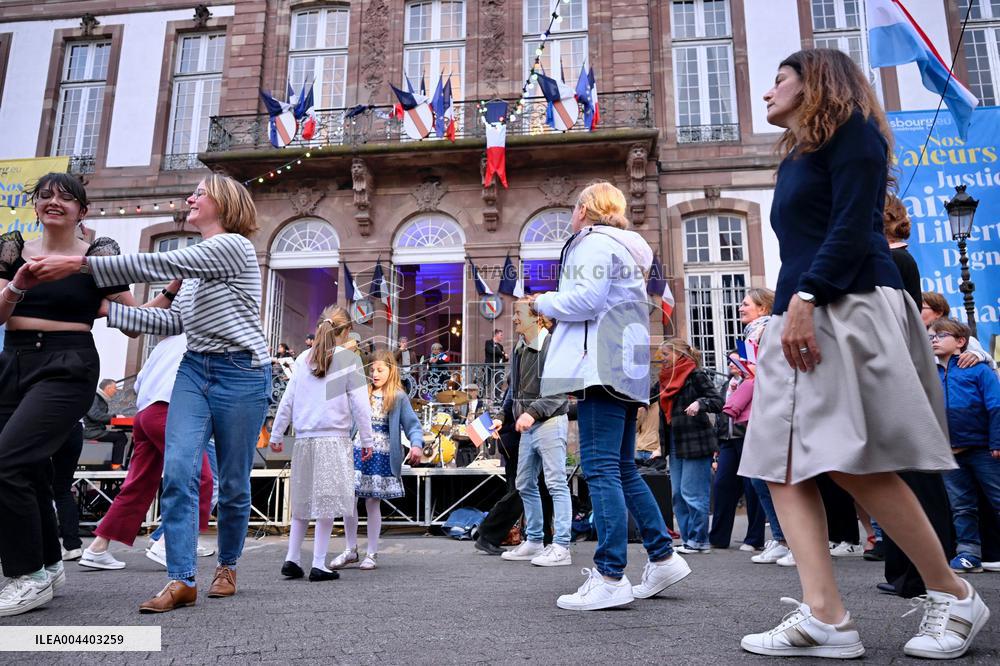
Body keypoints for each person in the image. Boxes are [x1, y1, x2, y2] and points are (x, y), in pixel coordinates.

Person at [739, 49, 988, 659]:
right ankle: (826, 616)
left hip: (841, 304)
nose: (767, 92)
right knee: (781, 465)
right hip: (802, 310)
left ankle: (954, 595)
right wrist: (787, 310)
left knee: (849, 459)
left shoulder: (854, 133)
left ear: (814, 83)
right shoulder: (797, 154)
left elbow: (853, 227)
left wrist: (804, 296)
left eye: (779, 80)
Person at [30, 173, 272, 613]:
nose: (191, 197)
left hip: (242, 371)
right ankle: (181, 580)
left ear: (226, 202)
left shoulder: (231, 246)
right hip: (195, 369)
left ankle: (228, 565)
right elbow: (169, 323)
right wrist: (103, 309)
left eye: (200, 193)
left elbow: (153, 265)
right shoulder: (195, 270)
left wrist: (81, 265)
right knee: (179, 473)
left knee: (233, 484)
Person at [532, 181, 691, 611]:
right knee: (622, 468)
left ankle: (610, 574)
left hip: (599, 363)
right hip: (627, 364)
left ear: (585, 209)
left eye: (574, 208)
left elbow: (587, 298)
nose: (571, 216)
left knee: (601, 468)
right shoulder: (630, 247)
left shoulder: (592, 243)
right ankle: (661, 555)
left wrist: (544, 302)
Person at [0, 172, 146, 617]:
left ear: (83, 210)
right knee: (28, 471)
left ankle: (25, 576)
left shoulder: (98, 256)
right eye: (45, 196)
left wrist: (156, 302)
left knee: (5, 462)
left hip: (68, 363)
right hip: (14, 362)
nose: (53, 202)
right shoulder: (12, 247)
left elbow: (131, 318)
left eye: (65, 197)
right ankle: (47, 564)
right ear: (36, 206)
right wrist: (18, 286)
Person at [78, 334, 214, 571]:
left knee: (138, 484)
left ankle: (98, 547)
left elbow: (139, 383)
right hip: (170, 412)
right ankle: (167, 544)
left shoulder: (166, 343)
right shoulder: (206, 339)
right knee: (200, 478)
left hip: (145, 414)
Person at [270, 307, 373, 582]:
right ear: (345, 332)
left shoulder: (303, 358)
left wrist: (277, 435)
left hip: (304, 439)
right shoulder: (349, 359)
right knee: (326, 500)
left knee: (303, 499)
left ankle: (292, 558)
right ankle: (318, 562)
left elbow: (287, 401)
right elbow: (361, 404)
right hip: (333, 438)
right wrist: (367, 438)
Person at [331, 351, 423, 571]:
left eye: (380, 370)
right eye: (372, 370)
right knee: (349, 499)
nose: (375, 374)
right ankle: (350, 549)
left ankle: (371, 553)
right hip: (358, 450)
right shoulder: (363, 392)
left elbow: (412, 424)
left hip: (382, 453)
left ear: (391, 370)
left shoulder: (398, 396)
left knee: (373, 502)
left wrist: (417, 444)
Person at [498, 298, 571, 567]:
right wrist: (501, 416)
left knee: (555, 484)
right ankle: (535, 541)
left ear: (537, 318)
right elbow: (513, 392)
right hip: (528, 426)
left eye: (518, 313)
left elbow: (561, 391)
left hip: (549, 422)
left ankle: (562, 545)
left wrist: (532, 412)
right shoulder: (519, 347)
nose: (514, 318)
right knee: (525, 483)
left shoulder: (555, 345)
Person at [930, 318, 1000, 574]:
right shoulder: (931, 371)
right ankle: (969, 553)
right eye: (931, 337)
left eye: (940, 335)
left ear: (961, 342)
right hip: (949, 452)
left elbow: (996, 405)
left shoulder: (978, 369)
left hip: (983, 448)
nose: (934, 340)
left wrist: (996, 440)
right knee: (961, 506)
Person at [658, 339, 723, 554]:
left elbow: (717, 401)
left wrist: (700, 403)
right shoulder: (665, 379)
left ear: (677, 354)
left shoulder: (695, 374)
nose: (662, 359)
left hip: (696, 441)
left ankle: (699, 540)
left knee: (693, 493)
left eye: (665, 354)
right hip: (676, 442)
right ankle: (688, 540)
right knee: (677, 494)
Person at [710, 353, 765, 552]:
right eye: (730, 361)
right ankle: (718, 537)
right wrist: (716, 445)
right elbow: (720, 416)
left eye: (736, 361)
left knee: (752, 486)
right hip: (727, 441)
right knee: (722, 485)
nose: (731, 365)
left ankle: (754, 538)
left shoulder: (753, 382)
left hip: (746, 438)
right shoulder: (726, 385)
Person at [921, 292, 995, 369]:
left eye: (920, 307)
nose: (915, 311)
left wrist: (977, 355)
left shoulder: (964, 339)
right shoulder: (914, 339)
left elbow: (992, 366)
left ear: (939, 313)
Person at [52, 424, 84, 562]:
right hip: (74, 426)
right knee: (63, 489)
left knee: (34, 488)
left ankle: (41, 548)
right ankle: (72, 545)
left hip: (45, 423)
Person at [82, 378, 130, 470]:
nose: (116, 391)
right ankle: (115, 466)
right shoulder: (94, 397)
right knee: (121, 437)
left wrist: (115, 418)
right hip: (91, 431)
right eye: (114, 388)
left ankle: (112, 464)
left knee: (119, 436)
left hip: (95, 430)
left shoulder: (98, 398)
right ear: (108, 388)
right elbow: (95, 415)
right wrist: (114, 417)